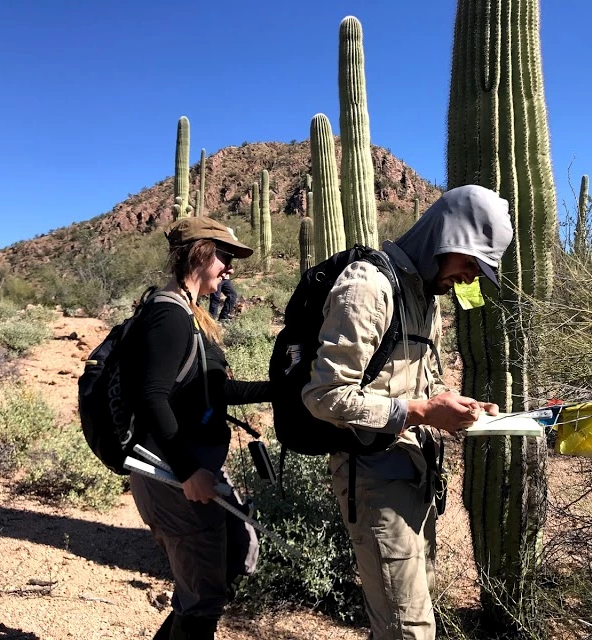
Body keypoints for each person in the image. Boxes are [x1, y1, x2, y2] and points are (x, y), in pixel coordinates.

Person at [302, 184, 514, 640]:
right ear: (447, 238)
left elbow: (425, 381)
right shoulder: (367, 287)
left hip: (417, 472)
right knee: (408, 631)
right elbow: (323, 395)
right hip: (374, 477)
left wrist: (459, 405)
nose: (468, 279)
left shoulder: (426, 299)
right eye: (469, 264)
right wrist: (421, 411)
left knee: (411, 614)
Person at [121, 217, 272, 640]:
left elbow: (213, 391)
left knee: (236, 552)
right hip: (170, 471)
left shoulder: (189, 314)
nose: (229, 268)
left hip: (189, 464)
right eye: (224, 257)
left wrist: (281, 389)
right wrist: (188, 470)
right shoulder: (168, 314)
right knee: (203, 597)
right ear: (202, 254)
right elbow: (151, 397)